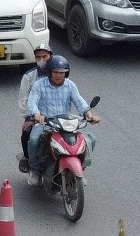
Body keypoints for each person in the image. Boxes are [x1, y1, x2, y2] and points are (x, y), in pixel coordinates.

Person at [26, 55, 100, 187]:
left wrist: (90, 115)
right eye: (56, 72)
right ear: (49, 72)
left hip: (66, 124)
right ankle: (35, 171)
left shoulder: (70, 85)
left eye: (62, 73)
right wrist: (37, 115)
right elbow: (32, 102)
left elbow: (79, 102)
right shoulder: (38, 85)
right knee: (34, 140)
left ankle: (79, 171)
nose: (59, 75)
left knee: (90, 140)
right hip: (46, 124)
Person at [18, 43, 52, 172]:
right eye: (39, 57)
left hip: (56, 116)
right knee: (27, 134)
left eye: (45, 56)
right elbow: (24, 99)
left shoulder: (60, 73)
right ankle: (28, 159)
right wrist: (29, 117)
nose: (42, 60)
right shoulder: (29, 76)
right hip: (36, 115)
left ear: (51, 56)